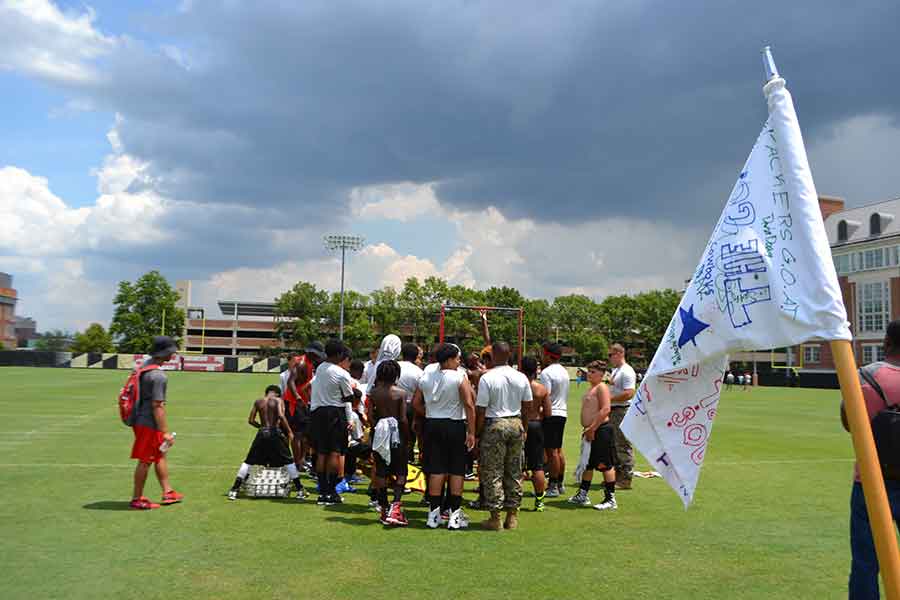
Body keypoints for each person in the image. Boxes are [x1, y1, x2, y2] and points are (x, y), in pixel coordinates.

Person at [842, 320, 900, 599]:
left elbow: (849, 423)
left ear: (886, 342)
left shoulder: (866, 375)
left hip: (872, 483)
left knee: (866, 562)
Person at [413, 343, 476, 530]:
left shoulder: (426, 376)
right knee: (456, 470)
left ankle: (434, 514)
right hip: (454, 424)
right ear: (449, 359)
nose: (459, 362)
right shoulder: (458, 376)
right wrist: (472, 432)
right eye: (457, 358)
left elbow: (416, 403)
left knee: (436, 470)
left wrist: (431, 414)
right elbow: (469, 404)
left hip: (432, 424)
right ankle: (454, 515)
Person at [476, 341, 533, 530]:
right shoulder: (521, 377)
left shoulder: (487, 377)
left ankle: (495, 516)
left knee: (493, 471)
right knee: (514, 470)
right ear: (510, 355)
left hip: (495, 424)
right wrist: (523, 428)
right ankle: (512, 516)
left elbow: (481, 410)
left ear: (492, 354)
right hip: (515, 423)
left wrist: (477, 433)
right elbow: (527, 406)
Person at [129, 336, 184, 510]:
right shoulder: (159, 376)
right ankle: (137, 498)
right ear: (166, 352)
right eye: (172, 351)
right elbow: (158, 406)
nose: (174, 354)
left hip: (142, 420)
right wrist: (165, 432)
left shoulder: (145, 367)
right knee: (145, 460)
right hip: (148, 424)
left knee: (159, 455)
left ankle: (168, 492)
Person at [227, 385, 306, 500]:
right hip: (275, 432)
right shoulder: (278, 400)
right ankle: (299, 490)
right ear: (278, 394)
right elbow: (280, 415)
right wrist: (289, 432)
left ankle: (234, 489)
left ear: (267, 392)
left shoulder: (258, 401)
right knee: (289, 460)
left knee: (248, 461)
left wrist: (261, 427)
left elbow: (251, 420)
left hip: (262, 433)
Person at [310, 339, 355, 506]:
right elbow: (349, 396)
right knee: (335, 452)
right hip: (335, 413)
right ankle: (331, 491)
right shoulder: (341, 373)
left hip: (317, 413)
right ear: (338, 355)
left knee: (322, 452)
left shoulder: (319, 368)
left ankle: (322, 492)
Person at [568, 361, 618, 511]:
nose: (589, 374)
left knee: (605, 465)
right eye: (589, 371)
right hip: (591, 430)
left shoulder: (602, 387)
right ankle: (582, 495)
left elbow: (606, 409)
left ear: (602, 374)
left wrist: (592, 428)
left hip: (600, 430)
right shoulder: (592, 388)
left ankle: (610, 499)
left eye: (593, 372)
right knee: (588, 464)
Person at [368, 360, 410, 527]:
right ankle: (396, 506)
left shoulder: (374, 392)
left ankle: (384, 507)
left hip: (379, 433)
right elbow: (403, 419)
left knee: (381, 470)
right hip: (396, 434)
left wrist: (377, 427)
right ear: (396, 375)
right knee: (401, 471)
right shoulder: (400, 393)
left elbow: (370, 415)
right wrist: (407, 438)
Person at [281, 342, 326, 473]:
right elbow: (291, 382)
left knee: (305, 434)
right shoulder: (301, 363)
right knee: (297, 435)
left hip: (304, 403)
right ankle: (297, 462)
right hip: (294, 404)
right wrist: (298, 398)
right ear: (312, 353)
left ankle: (301, 460)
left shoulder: (310, 363)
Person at [540, 342, 570, 497]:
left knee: (551, 452)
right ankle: (560, 482)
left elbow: (545, 396)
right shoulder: (564, 371)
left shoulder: (547, 373)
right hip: (562, 413)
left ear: (547, 354)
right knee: (558, 450)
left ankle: (552, 485)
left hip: (551, 414)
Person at [522, 356, 551, 512]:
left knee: (517, 466)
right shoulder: (541, 389)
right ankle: (539, 501)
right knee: (537, 466)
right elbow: (548, 413)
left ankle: (515, 500)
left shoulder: (518, 386)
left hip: (520, 425)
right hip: (536, 425)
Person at [607, 343, 637, 490]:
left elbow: (630, 392)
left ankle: (626, 478)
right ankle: (617, 476)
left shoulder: (627, 371)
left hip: (622, 410)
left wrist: (609, 399)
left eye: (610, 355)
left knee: (622, 444)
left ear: (619, 354)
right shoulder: (616, 370)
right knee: (613, 445)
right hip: (614, 410)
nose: (609, 358)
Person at [397, 342, 424, 463]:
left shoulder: (395, 366)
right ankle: (408, 459)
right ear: (416, 356)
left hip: (394, 405)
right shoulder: (419, 372)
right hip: (410, 406)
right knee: (410, 436)